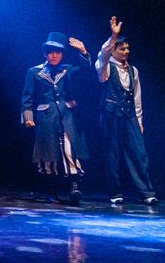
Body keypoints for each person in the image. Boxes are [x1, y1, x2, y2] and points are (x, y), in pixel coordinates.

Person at [21, 31, 91, 205]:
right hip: (46, 116)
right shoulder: (34, 72)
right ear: (45, 53)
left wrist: (83, 52)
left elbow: (86, 71)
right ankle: (51, 191)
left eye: (58, 52)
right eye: (51, 52)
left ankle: (74, 187)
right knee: (48, 154)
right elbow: (27, 97)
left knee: (70, 149)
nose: (54, 55)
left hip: (67, 115)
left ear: (62, 54)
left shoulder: (68, 70)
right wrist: (28, 116)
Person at [94, 17, 156, 205]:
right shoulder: (104, 67)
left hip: (129, 116)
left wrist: (139, 121)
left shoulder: (133, 70)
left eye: (128, 48)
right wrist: (113, 36)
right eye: (122, 49)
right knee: (112, 154)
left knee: (139, 153)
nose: (126, 51)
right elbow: (102, 55)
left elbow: (137, 98)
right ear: (114, 50)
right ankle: (115, 193)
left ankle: (146, 192)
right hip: (110, 115)